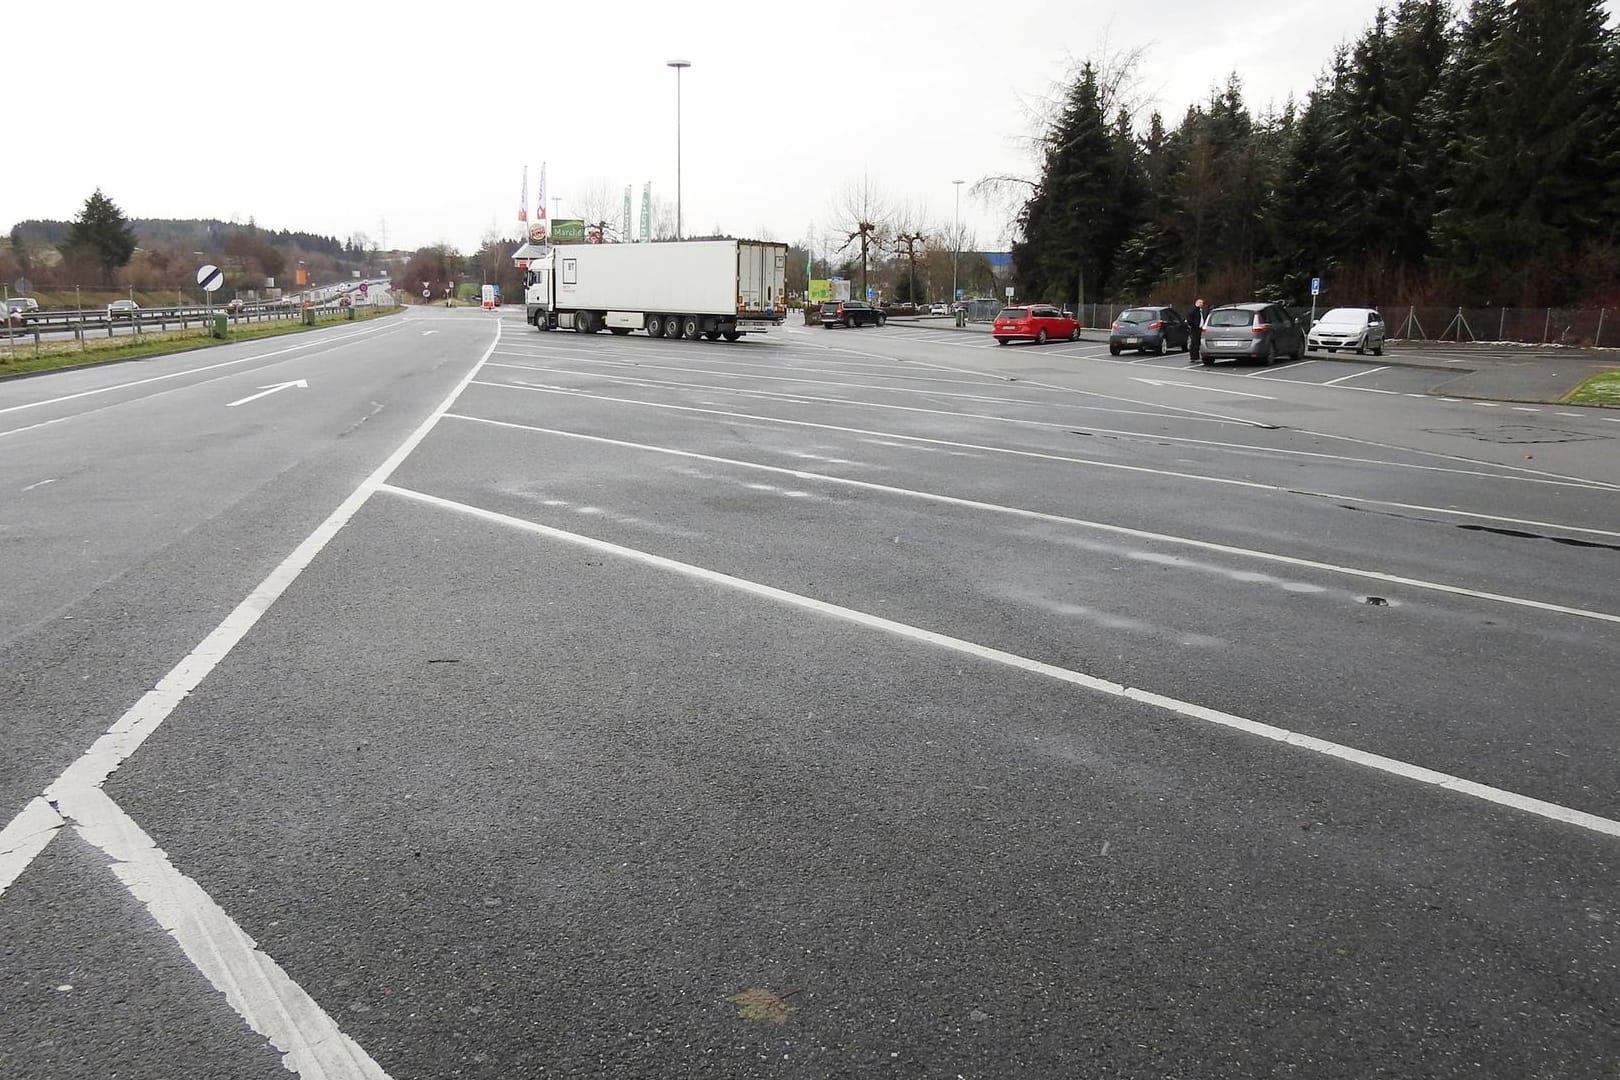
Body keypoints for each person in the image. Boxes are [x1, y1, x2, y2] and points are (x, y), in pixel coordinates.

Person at [1187, 297, 1206, 362]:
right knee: (1195, 343)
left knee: (1197, 343)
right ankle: (1194, 357)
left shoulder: (1200, 311)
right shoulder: (1194, 310)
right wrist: (1194, 325)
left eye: (1202, 302)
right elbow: (1189, 318)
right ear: (1196, 303)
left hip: (1200, 328)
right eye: (1199, 302)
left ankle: (1195, 357)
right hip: (1195, 329)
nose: (1201, 304)